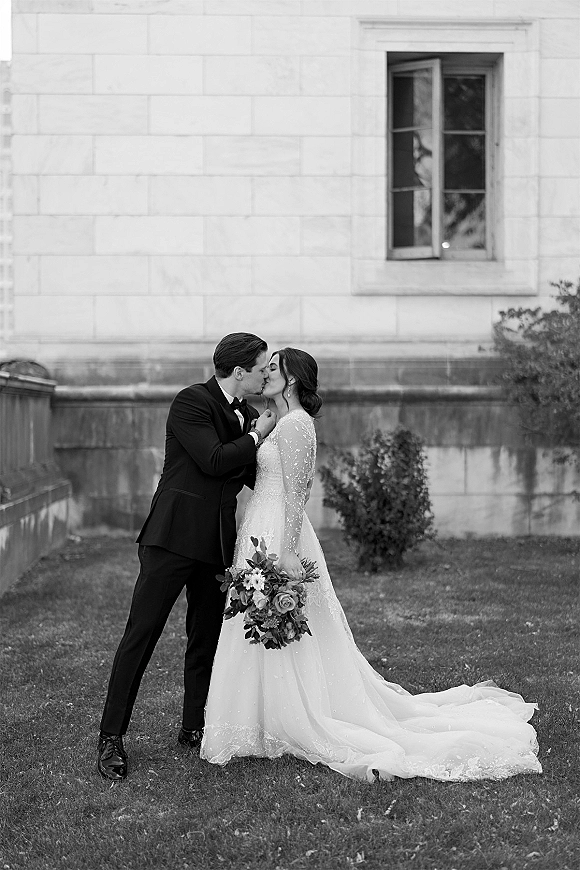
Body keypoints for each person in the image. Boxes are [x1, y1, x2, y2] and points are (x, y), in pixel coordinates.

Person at [200, 348, 542, 782]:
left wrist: (285, 551)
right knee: (258, 619)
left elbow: (298, 493)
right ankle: (260, 719)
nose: (264, 374)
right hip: (259, 525)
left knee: (282, 621)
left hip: (279, 532)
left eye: (272, 369)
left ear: (291, 380)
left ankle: (290, 717)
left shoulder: (297, 424)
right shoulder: (274, 422)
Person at [97, 333, 276, 781]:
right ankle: (110, 737)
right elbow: (215, 460)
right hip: (171, 538)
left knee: (205, 640)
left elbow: (254, 472)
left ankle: (194, 727)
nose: (264, 373)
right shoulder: (191, 402)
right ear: (239, 372)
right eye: (260, 367)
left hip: (217, 543)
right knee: (142, 635)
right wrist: (259, 433)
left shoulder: (250, 415)